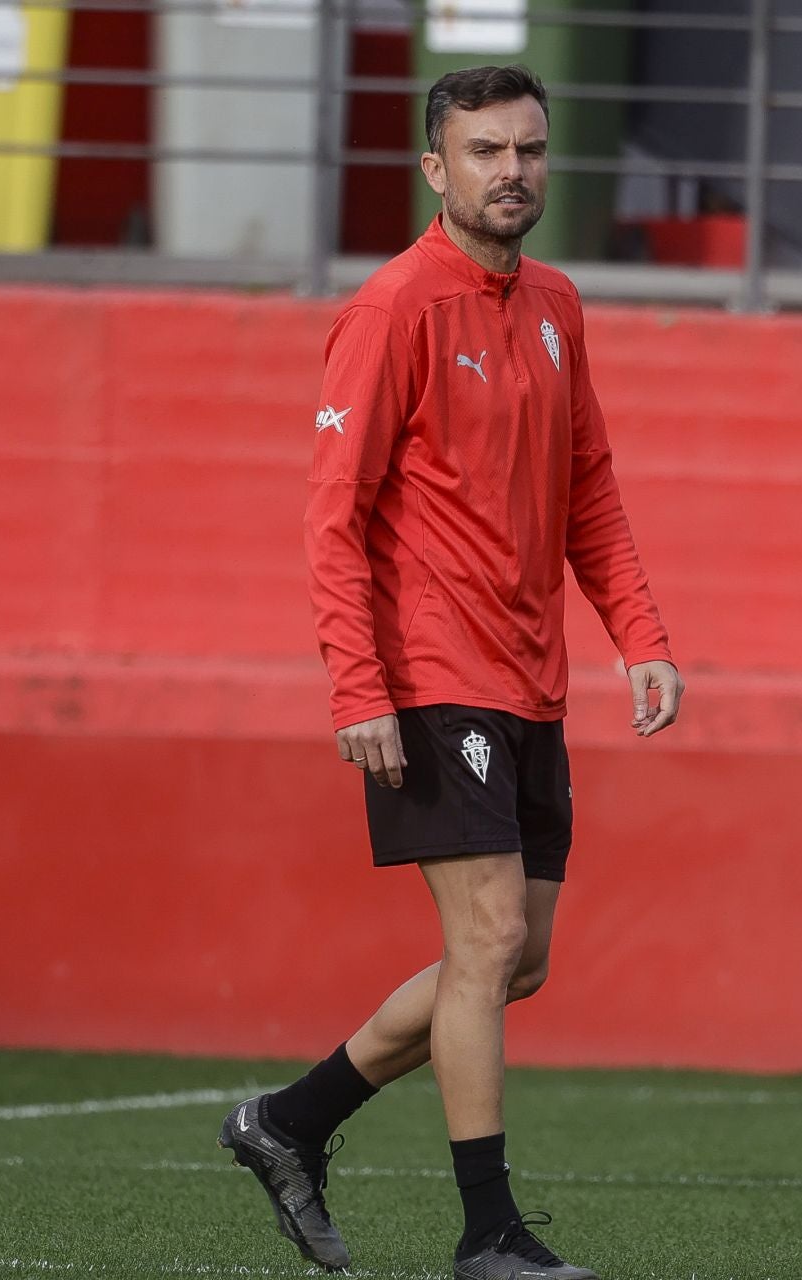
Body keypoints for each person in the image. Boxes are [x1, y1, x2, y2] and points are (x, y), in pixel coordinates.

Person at [218, 64, 683, 1280]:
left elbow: (590, 488)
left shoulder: (558, 305)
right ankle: (489, 1235)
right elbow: (334, 515)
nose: (512, 170)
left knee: (519, 958)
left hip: (532, 677)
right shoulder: (390, 309)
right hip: (431, 670)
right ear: (437, 168)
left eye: (529, 149)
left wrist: (643, 635)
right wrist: (358, 686)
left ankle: (291, 1121)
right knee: (482, 939)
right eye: (486, 151)